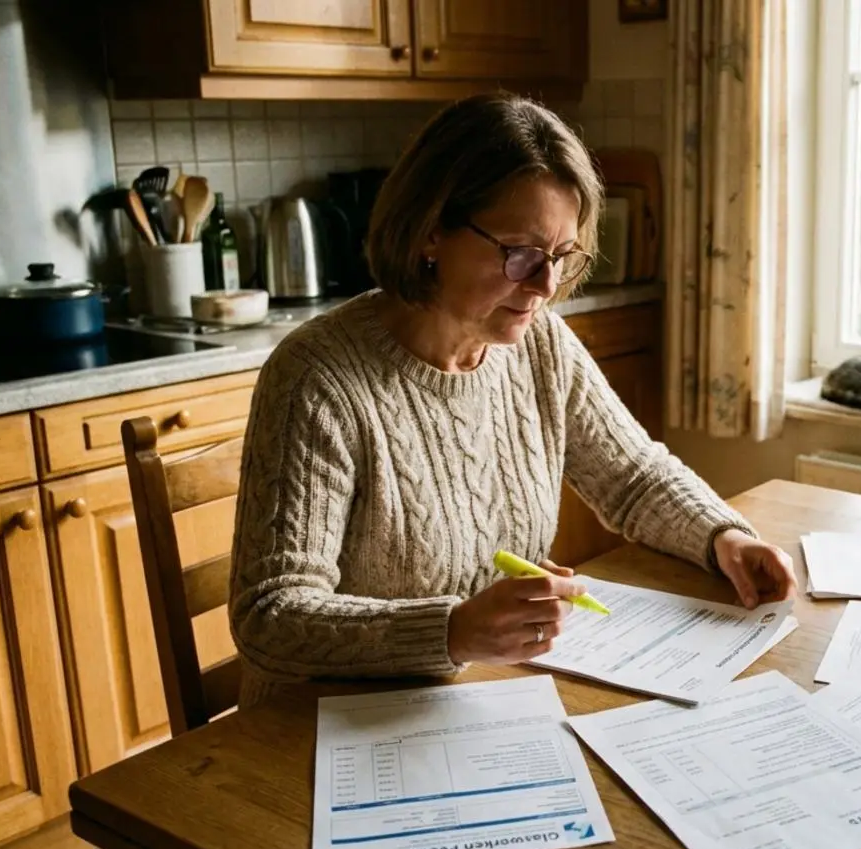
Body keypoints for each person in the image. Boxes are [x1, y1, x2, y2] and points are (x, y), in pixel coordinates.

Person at [227, 92, 797, 707]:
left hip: (478, 698)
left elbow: (633, 476)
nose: (547, 286)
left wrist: (722, 539)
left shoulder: (539, 343)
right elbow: (271, 615)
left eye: (562, 256)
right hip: (320, 734)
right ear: (430, 232)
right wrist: (452, 631)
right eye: (521, 254)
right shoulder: (318, 378)